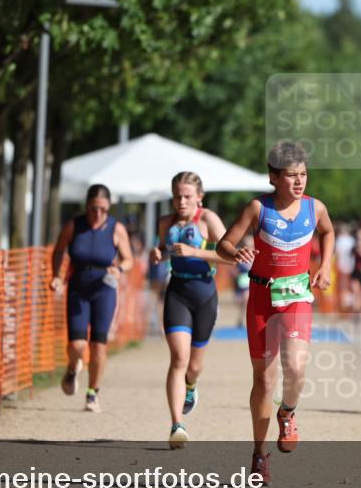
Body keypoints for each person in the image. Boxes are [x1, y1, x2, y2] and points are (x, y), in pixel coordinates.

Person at [217, 141, 334, 484]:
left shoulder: (315, 208)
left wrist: (325, 265)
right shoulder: (258, 209)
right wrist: (235, 253)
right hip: (262, 299)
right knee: (265, 381)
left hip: (296, 296)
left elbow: (328, 231)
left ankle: (288, 413)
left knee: (295, 367)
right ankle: (259, 454)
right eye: (291, 175)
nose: (299, 182)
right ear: (273, 177)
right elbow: (224, 244)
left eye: (303, 175)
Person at [150, 172, 231, 449]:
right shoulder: (166, 222)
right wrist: (159, 253)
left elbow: (231, 256)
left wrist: (195, 252)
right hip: (177, 292)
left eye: (187, 196)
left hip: (204, 293)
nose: (181, 201)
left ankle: (191, 386)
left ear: (199, 197)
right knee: (178, 358)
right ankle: (177, 425)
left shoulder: (208, 220)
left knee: (194, 367)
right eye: (177, 196)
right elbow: (163, 248)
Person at [50, 184, 134, 412]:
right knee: (77, 345)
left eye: (103, 210)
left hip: (104, 290)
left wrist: (120, 269)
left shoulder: (116, 229)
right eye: (94, 209)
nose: (98, 214)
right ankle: (72, 367)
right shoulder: (74, 226)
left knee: (98, 345)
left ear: (109, 208)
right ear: (87, 206)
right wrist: (57, 276)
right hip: (78, 289)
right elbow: (59, 250)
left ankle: (92, 393)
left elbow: (129, 259)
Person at [233, 235, 253, 328]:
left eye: (250, 244)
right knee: (242, 301)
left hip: (252, 280)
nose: (248, 246)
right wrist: (235, 274)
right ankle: (241, 319)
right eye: (246, 244)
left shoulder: (256, 254)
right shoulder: (240, 254)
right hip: (242, 280)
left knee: (247, 299)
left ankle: (246, 320)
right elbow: (234, 267)